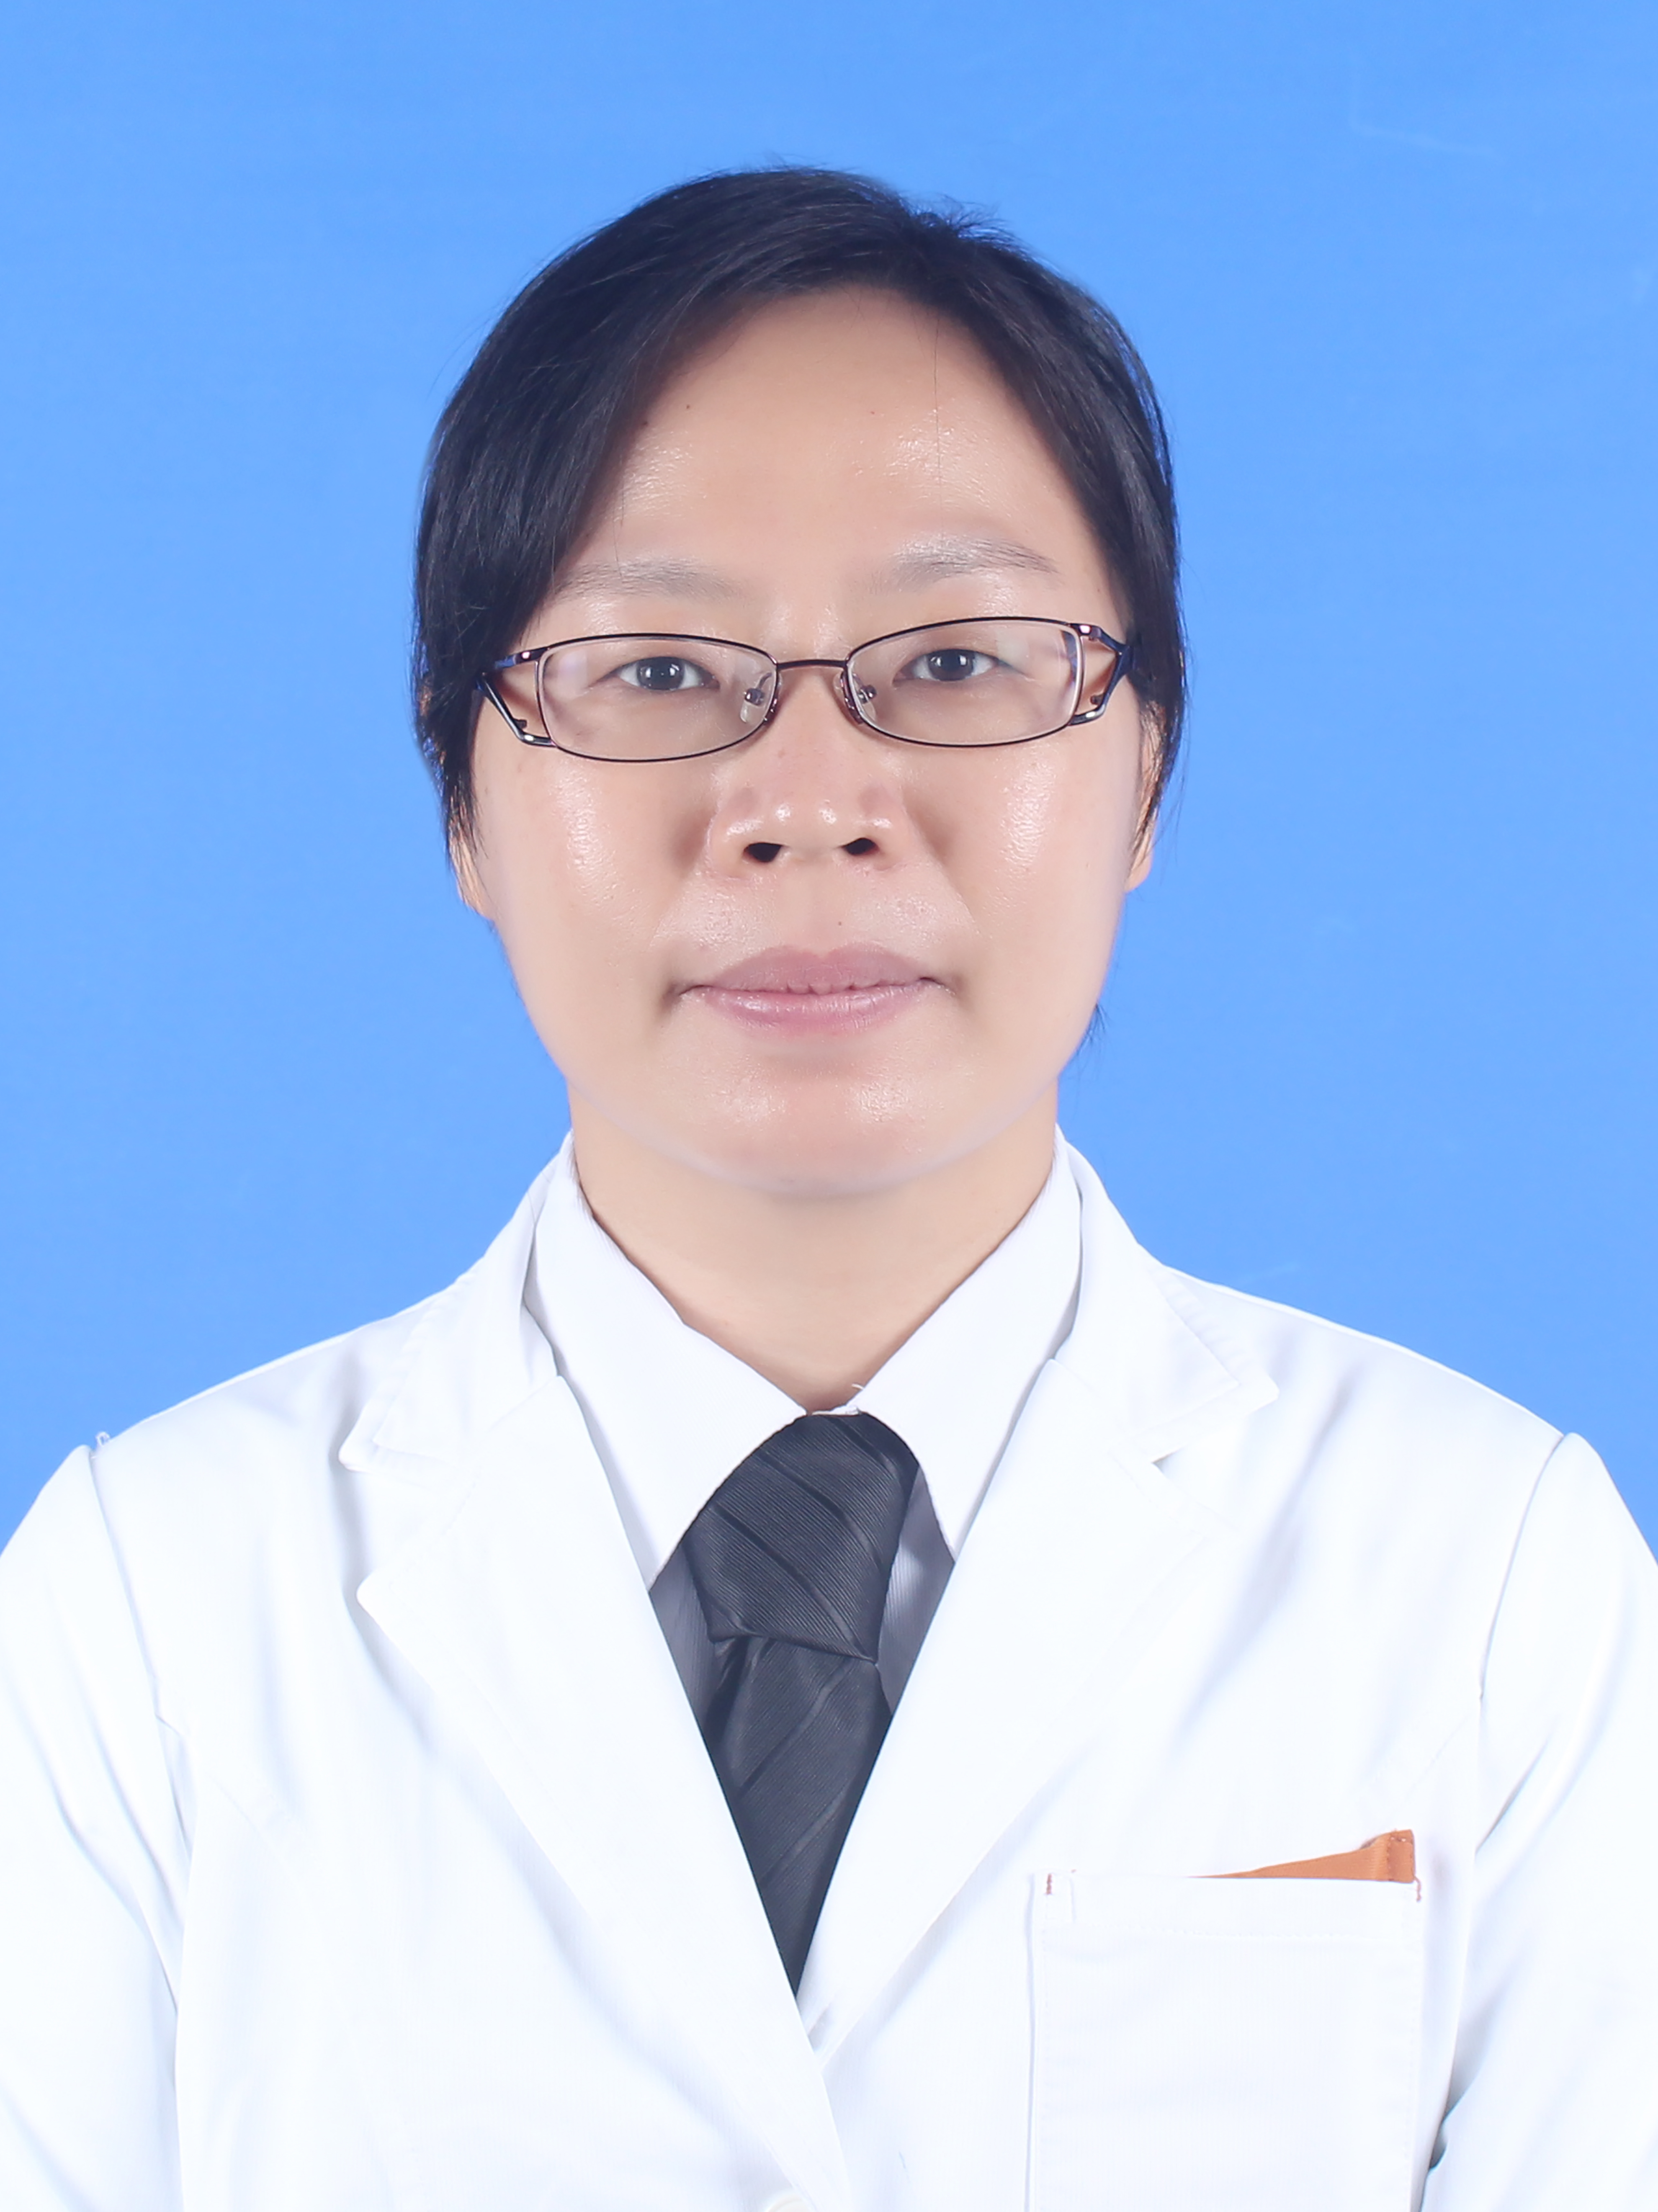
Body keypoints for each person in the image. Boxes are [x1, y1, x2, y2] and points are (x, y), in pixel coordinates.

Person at [0, 166, 1653, 2212]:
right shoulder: (143, 1616)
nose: (806, 805)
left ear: (1148, 767)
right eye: (657, 672)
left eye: (955, 662)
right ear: (464, 799)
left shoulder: (1494, 1587)